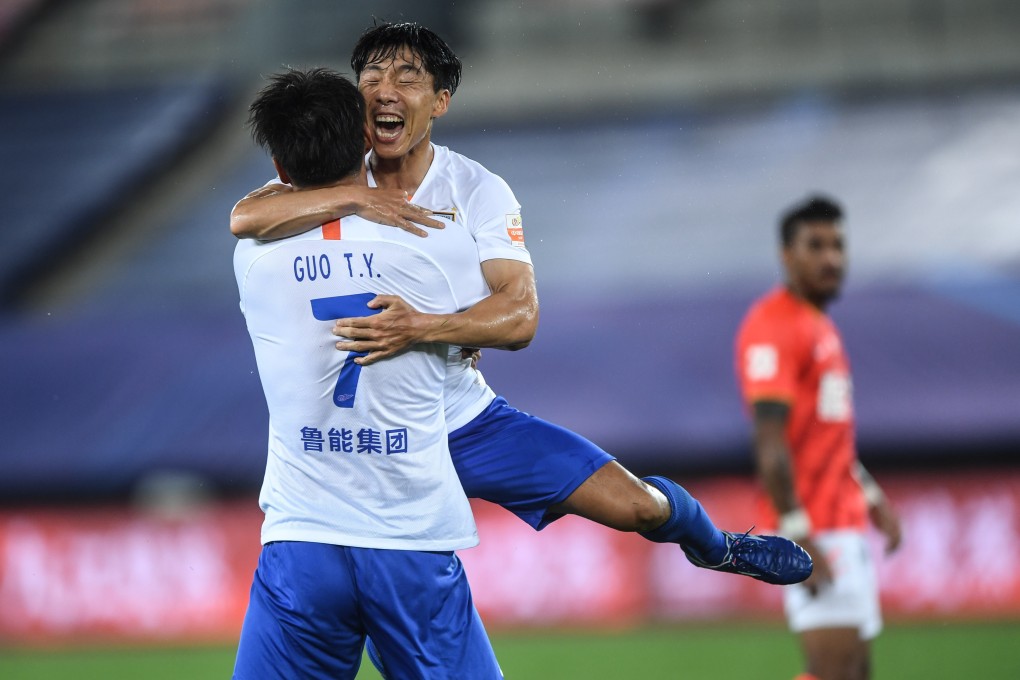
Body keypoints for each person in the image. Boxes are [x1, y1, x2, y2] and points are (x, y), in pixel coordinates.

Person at [231, 22, 811, 593]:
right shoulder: (329, 169)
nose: (385, 89)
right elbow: (244, 217)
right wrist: (356, 195)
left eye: (407, 77)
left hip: (459, 419)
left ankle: (718, 546)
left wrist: (426, 328)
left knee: (635, 506)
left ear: (440, 102)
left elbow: (520, 316)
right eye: (372, 75)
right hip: (366, 437)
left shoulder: (476, 191)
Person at [231, 68, 503, 679]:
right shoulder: (436, 243)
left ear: (277, 162)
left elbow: (250, 213)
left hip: (302, 538)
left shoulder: (252, 257)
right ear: (365, 139)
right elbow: (500, 328)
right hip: (406, 535)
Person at [735, 195, 903, 680]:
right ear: (786, 255)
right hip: (816, 526)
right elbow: (769, 439)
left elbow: (829, 440)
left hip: (841, 520)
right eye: (816, 245)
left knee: (853, 671)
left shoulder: (819, 325)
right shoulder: (773, 325)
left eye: (837, 245)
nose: (831, 258)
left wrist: (871, 496)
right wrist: (797, 532)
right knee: (836, 671)